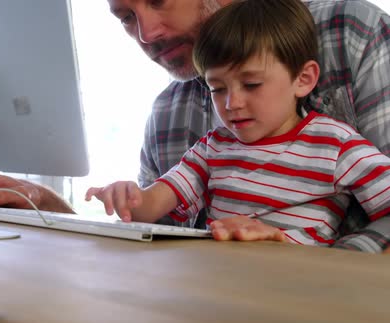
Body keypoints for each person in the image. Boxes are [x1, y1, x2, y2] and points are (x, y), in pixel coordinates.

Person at [0, 0, 390, 253]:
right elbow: (153, 237)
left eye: (158, 0)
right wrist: (43, 206)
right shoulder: (177, 120)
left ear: (303, 79)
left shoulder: (349, 35)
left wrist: (304, 256)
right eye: (125, 17)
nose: (145, 34)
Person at [85, 0, 390, 247]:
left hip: (307, 284)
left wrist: (284, 242)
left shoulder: (336, 145)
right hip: (221, 286)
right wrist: (130, 198)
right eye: (217, 89)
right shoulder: (212, 147)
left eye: (253, 84)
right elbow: (155, 206)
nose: (232, 104)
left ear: (304, 79)